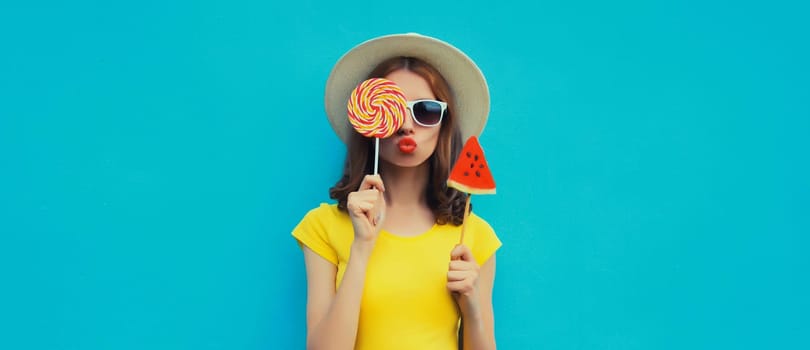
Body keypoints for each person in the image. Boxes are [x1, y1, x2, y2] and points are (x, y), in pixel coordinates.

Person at [292, 33, 501, 350]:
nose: (406, 125)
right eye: (394, 107)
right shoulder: (323, 227)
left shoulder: (473, 235)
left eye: (426, 110)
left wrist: (471, 309)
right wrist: (362, 247)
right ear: (369, 118)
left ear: (444, 124)